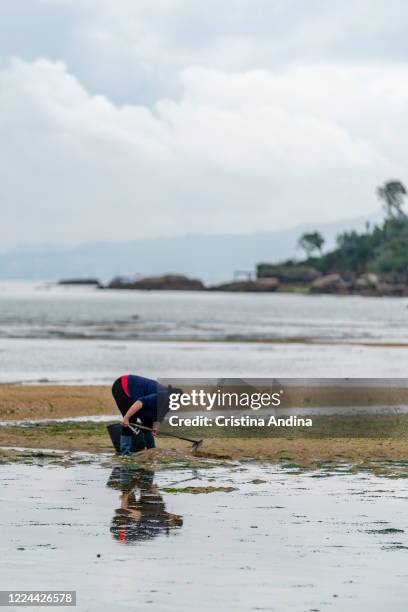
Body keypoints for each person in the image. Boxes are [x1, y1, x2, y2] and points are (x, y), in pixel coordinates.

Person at [111, 374, 169, 456]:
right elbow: (140, 402)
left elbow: (159, 415)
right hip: (123, 386)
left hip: (139, 394)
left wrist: (155, 427)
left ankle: (151, 450)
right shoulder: (161, 397)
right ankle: (125, 453)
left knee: (148, 421)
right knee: (131, 420)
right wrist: (126, 418)